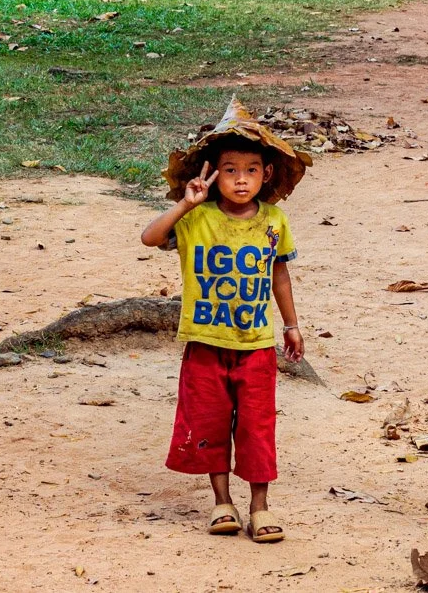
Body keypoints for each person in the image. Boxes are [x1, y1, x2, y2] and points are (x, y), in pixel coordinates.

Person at [141, 100, 309, 543]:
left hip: (255, 345)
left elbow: (279, 274)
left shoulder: (274, 220)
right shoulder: (196, 217)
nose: (240, 179)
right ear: (212, 173)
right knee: (211, 424)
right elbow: (149, 238)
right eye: (230, 170)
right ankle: (222, 502)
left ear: (266, 175)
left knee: (256, 427)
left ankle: (260, 506)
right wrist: (184, 203)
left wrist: (291, 326)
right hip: (204, 342)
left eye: (251, 170)